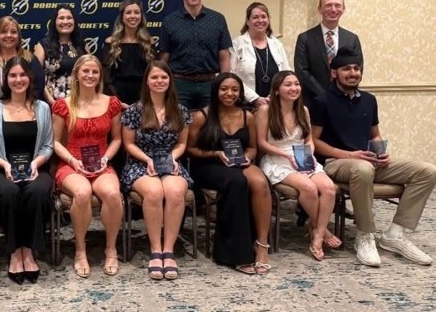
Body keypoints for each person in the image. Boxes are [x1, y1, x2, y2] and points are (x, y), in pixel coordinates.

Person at [311, 48, 436, 267]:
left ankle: (394, 235)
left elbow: (375, 133)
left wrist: (381, 152)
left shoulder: (369, 100)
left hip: (368, 160)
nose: (353, 73)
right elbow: (315, 142)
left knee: (427, 171)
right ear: (334, 73)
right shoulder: (322, 101)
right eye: (346, 69)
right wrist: (349, 154)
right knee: (362, 168)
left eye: (356, 68)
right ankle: (365, 235)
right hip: (336, 162)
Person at [186, 73, 272, 275]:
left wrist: (247, 159)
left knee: (260, 183)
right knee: (237, 182)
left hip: (237, 163)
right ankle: (235, 253)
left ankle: (261, 244)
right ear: (215, 90)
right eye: (224, 89)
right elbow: (190, 149)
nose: (229, 93)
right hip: (208, 165)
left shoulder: (247, 116)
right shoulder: (201, 116)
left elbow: (251, 147)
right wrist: (215, 153)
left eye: (235, 89)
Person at [0, 57, 54, 284]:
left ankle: (29, 250)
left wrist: (36, 164)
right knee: (10, 193)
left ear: (30, 78)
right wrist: (5, 165)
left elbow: (48, 145)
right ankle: (14, 251)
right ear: (5, 79)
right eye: (13, 75)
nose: (18, 80)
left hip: (34, 168)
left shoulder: (42, 108)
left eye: (22, 75)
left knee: (38, 192)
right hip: (0, 171)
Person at [52, 54, 123, 278]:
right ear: (76, 75)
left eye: (94, 71)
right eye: (85, 71)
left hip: (101, 163)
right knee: (82, 193)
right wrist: (73, 161)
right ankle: (80, 250)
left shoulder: (111, 103)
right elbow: (54, 141)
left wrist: (105, 159)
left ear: (100, 75)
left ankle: (111, 248)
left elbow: (118, 139)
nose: (90, 75)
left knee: (112, 193)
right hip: (71, 164)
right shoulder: (62, 105)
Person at [256, 70, 339, 261]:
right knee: (309, 188)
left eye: (296, 84)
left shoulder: (304, 110)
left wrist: (308, 152)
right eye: (288, 85)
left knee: (329, 188)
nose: (294, 88)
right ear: (277, 90)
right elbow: (262, 143)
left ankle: (317, 231)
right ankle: (322, 231)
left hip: (302, 157)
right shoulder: (265, 111)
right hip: (278, 159)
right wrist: (286, 154)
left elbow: (309, 139)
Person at [120, 61, 191, 280]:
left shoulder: (180, 111)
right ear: (147, 82)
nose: (159, 81)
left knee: (175, 191)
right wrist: (147, 159)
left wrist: (172, 158)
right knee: (154, 192)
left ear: (170, 81)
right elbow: (129, 144)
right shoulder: (135, 110)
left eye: (164, 77)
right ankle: (155, 249)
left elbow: (181, 144)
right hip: (140, 163)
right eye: (154, 78)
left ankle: (168, 251)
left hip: (170, 162)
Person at [160, 0, 231, 110]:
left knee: (210, 128)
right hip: (179, 85)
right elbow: (164, 59)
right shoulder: (169, 21)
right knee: (179, 127)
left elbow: (224, 57)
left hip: (210, 84)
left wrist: (224, 84)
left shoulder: (217, 19)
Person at [294, 0, 363, 108]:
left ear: (343, 9)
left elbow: (358, 67)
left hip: (345, 100)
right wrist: (324, 95)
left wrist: (341, 92)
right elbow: (302, 71)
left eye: (337, 5)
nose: (333, 9)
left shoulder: (352, 39)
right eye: (328, 5)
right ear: (320, 9)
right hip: (313, 101)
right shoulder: (305, 38)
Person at [0, 16, 44, 110]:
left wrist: (24, 110)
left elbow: (38, 88)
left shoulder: (30, 59)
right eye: (4, 32)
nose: (9, 35)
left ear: (19, 36)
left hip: (25, 113)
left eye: (13, 32)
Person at [230, 2, 291, 107]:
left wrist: (273, 96)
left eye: (264, 16)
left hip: (275, 103)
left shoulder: (277, 45)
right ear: (248, 21)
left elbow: (287, 74)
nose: (260, 20)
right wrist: (254, 98)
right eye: (255, 17)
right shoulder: (237, 45)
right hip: (246, 104)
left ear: (268, 20)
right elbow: (232, 76)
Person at [102, 0, 157, 107]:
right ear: (122, 17)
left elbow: (153, 73)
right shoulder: (111, 42)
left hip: (144, 97)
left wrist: (144, 100)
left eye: (137, 12)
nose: (133, 16)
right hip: (116, 97)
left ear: (141, 17)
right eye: (128, 12)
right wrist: (117, 100)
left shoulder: (149, 42)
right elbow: (106, 76)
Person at [34, 4, 86, 105]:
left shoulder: (82, 45)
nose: (65, 21)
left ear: (74, 22)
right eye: (61, 18)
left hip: (78, 104)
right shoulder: (43, 45)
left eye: (69, 18)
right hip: (51, 103)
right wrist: (51, 101)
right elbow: (36, 76)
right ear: (55, 22)